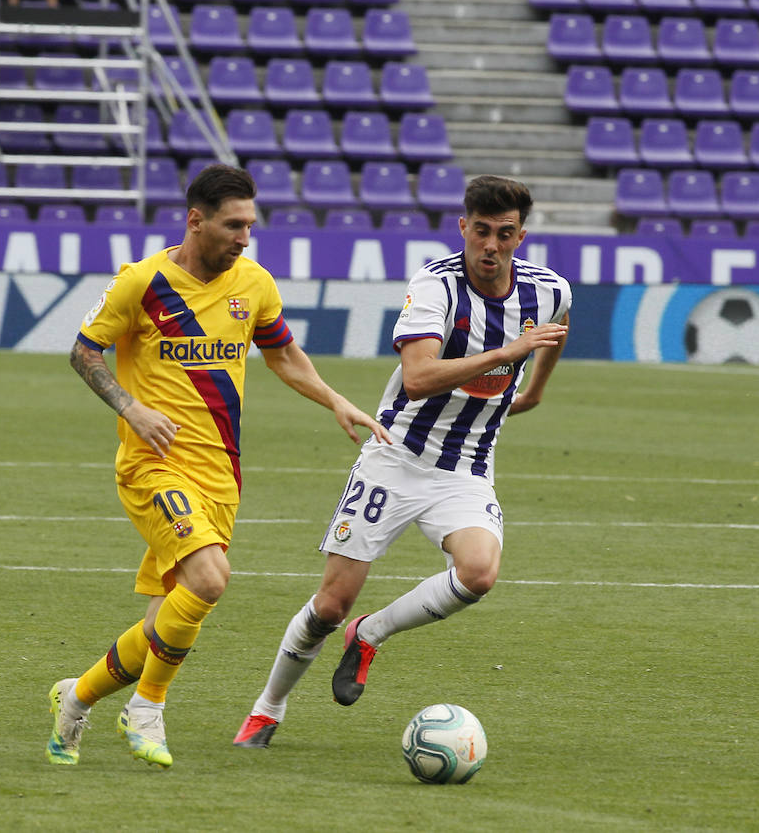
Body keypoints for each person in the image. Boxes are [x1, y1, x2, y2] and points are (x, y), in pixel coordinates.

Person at [45, 164, 391, 768]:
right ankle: (147, 710)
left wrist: (334, 398)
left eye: (250, 226)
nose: (244, 238)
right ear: (195, 219)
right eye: (233, 225)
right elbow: (83, 351)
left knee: (161, 625)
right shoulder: (142, 282)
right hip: (153, 468)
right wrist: (132, 408)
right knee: (210, 580)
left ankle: (75, 699)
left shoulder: (253, 283)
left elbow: (282, 354)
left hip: (220, 476)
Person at [232, 175, 572, 749]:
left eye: (505, 234)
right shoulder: (436, 285)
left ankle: (372, 634)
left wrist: (534, 387)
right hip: (395, 458)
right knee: (330, 605)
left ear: (521, 236)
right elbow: (416, 379)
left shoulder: (549, 289)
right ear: (463, 227)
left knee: (479, 573)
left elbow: (552, 332)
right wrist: (506, 353)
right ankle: (268, 708)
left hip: (466, 466)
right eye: (481, 231)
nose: (491, 246)